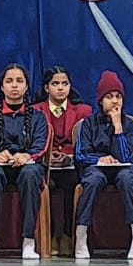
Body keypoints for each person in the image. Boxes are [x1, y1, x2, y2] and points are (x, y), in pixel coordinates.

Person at [0, 64, 50, 260]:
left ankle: (29, 241)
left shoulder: (39, 116)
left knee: (31, 175)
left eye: (19, 81)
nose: (14, 86)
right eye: (9, 81)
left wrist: (28, 156)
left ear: (26, 87)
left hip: (27, 164)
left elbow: (42, 144)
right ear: (2, 87)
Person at [73, 70, 133, 260]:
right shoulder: (88, 124)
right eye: (109, 97)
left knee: (128, 179)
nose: (114, 101)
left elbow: (126, 157)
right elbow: (80, 154)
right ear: (100, 100)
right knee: (93, 180)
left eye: (118, 97)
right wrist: (99, 160)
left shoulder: (129, 125)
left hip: (123, 169)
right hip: (96, 168)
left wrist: (118, 128)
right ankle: (81, 233)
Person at [38, 66, 92, 256]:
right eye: (55, 84)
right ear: (46, 88)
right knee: (45, 184)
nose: (60, 88)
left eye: (65, 84)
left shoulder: (83, 111)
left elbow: (86, 142)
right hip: (45, 165)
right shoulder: (36, 111)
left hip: (71, 164)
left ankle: (68, 235)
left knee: (72, 183)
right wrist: (48, 155)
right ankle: (51, 234)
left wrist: (68, 156)